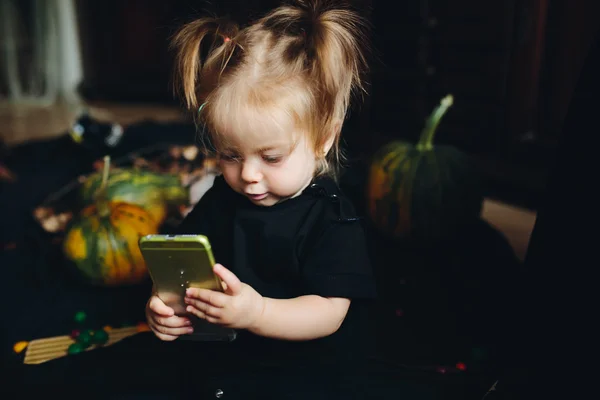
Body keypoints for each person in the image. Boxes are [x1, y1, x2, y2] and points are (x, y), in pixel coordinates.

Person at [145, 0, 377, 366]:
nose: (249, 174)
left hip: (303, 362)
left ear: (324, 139)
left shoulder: (332, 219)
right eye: (230, 155)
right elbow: (186, 265)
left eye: (271, 157)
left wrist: (259, 314)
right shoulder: (222, 197)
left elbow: (330, 312)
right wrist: (166, 303)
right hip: (228, 355)